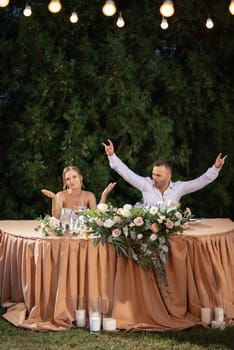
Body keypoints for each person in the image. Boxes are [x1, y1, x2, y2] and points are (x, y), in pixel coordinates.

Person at [102, 139, 227, 207]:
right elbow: (127, 173)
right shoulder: (145, 184)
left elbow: (201, 181)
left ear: (169, 176)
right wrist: (112, 156)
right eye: (153, 174)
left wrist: (215, 168)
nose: (154, 177)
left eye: (158, 175)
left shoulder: (179, 188)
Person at [41, 165, 116, 219]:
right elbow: (56, 216)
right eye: (68, 179)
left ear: (80, 177)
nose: (71, 181)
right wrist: (54, 198)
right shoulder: (61, 195)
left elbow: (96, 215)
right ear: (65, 182)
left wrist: (104, 195)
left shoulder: (89, 196)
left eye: (74, 177)